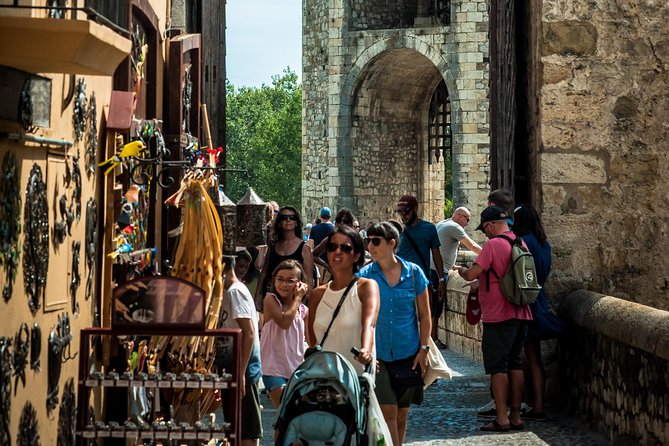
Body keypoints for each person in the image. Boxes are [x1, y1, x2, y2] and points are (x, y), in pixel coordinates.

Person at [456, 206, 533, 432]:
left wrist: (461, 270)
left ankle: (501, 417)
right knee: (516, 364)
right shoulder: (520, 243)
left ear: (490, 225)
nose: (485, 234)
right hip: (521, 311)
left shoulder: (493, 245)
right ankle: (516, 415)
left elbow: (472, 274)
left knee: (498, 367)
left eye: (485, 229)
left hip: (498, 315)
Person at [358, 221, 432, 446]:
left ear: (392, 243)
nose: (370, 246)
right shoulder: (365, 276)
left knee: (401, 414)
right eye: (368, 241)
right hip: (379, 358)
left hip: (409, 354)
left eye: (376, 241)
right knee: (388, 412)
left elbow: (425, 316)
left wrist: (424, 349)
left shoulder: (413, 273)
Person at [512, 204, 565, 420]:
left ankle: (536, 405)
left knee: (530, 356)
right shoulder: (545, 244)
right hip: (539, 298)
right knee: (533, 357)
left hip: (526, 301)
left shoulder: (524, 242)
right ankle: (533, 403)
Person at [307, 226, 380, 376]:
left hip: (356, 379)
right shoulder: (317, 295)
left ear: (356, 255)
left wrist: (366, 350)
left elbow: (369, 324)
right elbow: (314, 341)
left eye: (345, 248)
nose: (337, 252)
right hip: (323, 380)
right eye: (332, 247)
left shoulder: (366, 287)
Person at [219, 256, 263, 445]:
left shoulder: (236, 291)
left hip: (242, 370)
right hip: (231, 369)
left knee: (246, 432)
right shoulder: (227, 291)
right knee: (236, 429)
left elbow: (249, 333)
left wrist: (241, 372)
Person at [394, 194, 445, 340]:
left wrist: (441, 279)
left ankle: (424, 348)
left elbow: (436, 254)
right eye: (400, 212)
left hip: (423, 283)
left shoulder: (429, 229)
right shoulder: (397, 231)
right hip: (400, 282)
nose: (403, 216)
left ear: (416, 209)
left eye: (406, 212)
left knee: (424, 317)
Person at [259, 260, 309, 408]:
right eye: (280, 279)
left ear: (299, 284)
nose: (284, 284)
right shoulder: (270, 299)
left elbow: (311, 339)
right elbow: (284, 322)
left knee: (291, 416)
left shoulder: (303, 310)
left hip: (296, 368)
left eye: (290, 281)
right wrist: (298, 298)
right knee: (285, 409)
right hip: (273, 367)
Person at [255, 206, 314, 310]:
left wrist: (301, 302)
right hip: (271, 297)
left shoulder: (304, 248)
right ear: (279, 222)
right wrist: (258, 294)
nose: (288, 220)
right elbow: (264, 271)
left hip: (294, 300)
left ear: (296, 223)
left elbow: (309, 280)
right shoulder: (273, 246)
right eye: (284, 217)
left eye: (292, 217)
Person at [436, 207, 482, 274]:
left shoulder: (441, 223)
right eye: (468, 219)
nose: (467, 223)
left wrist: (453, 266)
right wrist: (488, 255)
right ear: (460, 216)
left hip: (433, 267)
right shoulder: (455, 227)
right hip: (441, 270)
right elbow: (472, 245)